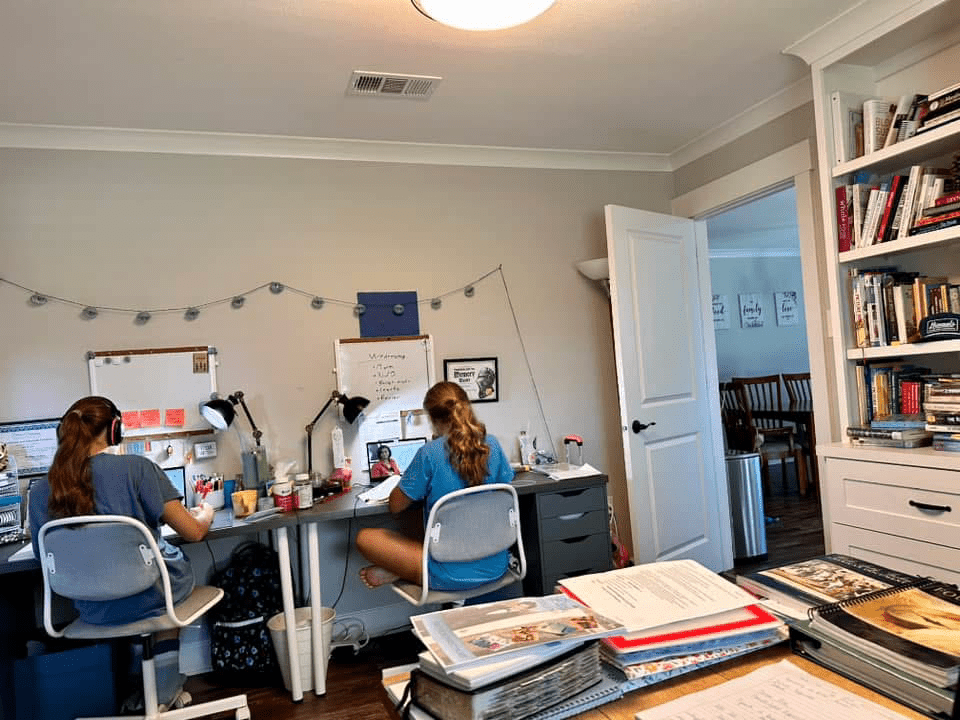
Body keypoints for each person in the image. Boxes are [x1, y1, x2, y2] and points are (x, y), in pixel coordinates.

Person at [28, 396, 214, 711]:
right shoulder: (138, 468)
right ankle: (166, 686)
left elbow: (42, 559)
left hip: (92, 608)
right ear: (115, 429)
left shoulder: (42, 490)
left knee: (128, 594)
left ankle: (136, 692)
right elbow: (194, 533)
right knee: (164, 584)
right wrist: (206, 513)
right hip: (152, 598)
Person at [356, 381, 514, 590]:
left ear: (433, 419)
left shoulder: (430, 453)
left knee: (364, 538)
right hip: (496, 565)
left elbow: (395, 505)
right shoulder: (491, 443)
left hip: (449, 575)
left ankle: (403, 569)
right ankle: (400, 570)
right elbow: (504, 488)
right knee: (419, 517)